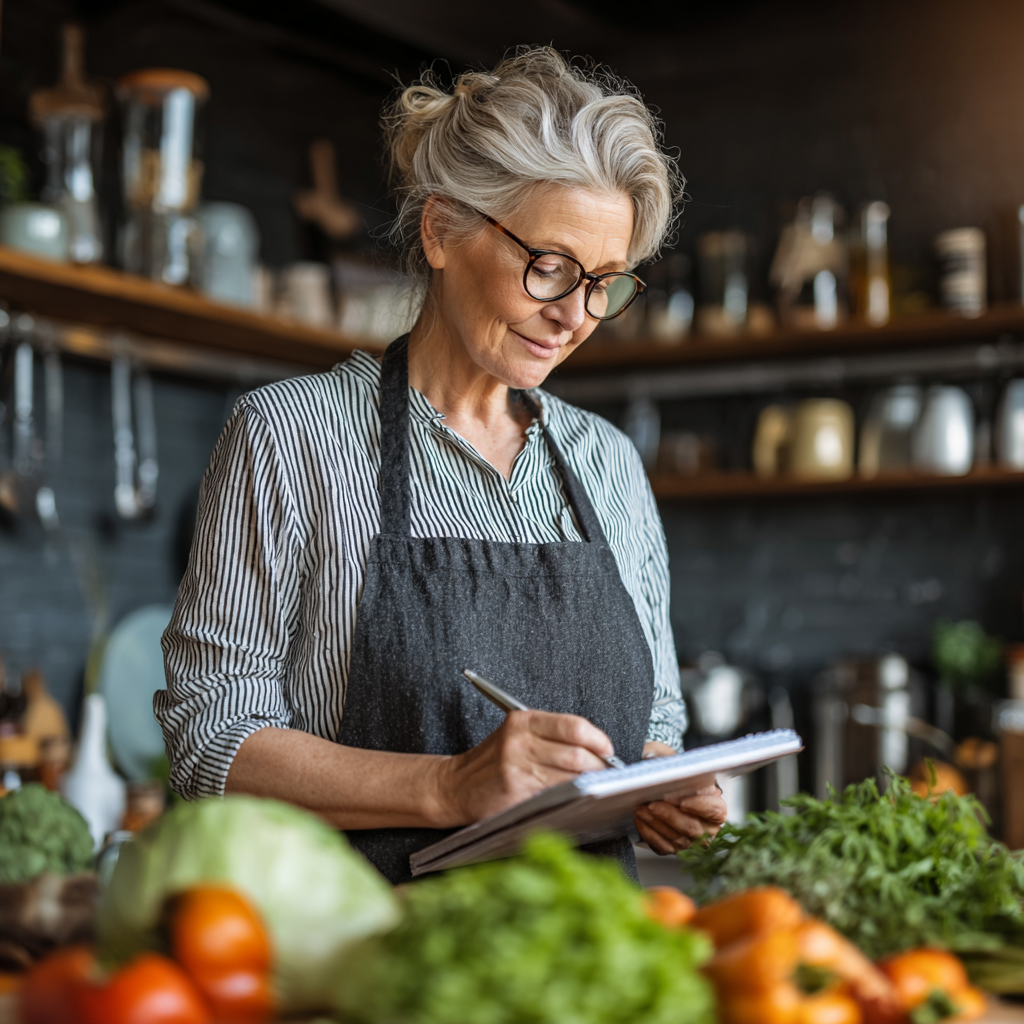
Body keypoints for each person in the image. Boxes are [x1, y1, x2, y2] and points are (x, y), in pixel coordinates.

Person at [156, 47, 727, 884]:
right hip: (364, 959)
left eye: (605, 282)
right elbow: (209, 740)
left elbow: (656, 723)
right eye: (551, 267)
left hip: (587, 968)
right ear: (441, 231)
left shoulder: (608, 466)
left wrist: (658, 785)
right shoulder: (291, 437)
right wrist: (449, 785)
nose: (574, 316)